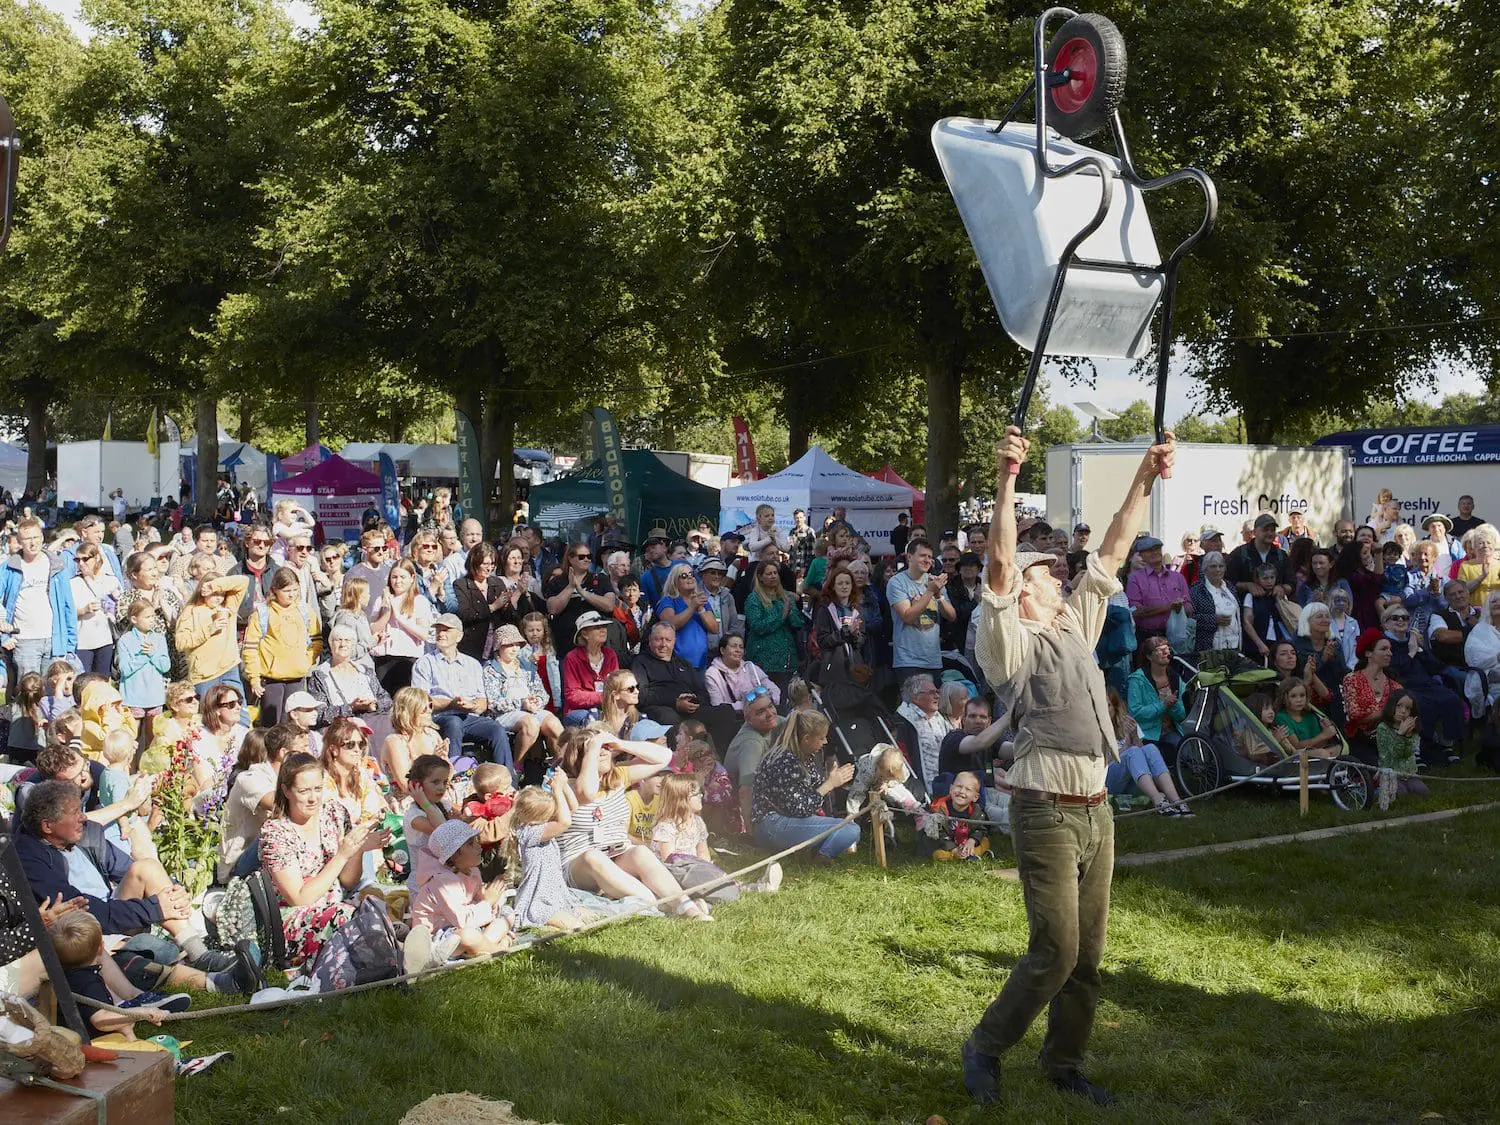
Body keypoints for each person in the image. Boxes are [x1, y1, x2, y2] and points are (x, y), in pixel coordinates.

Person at [962, 424, 1173, 1108]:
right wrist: (1005, 480)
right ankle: (985, 1047)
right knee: (1053, 951)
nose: (1055, 572)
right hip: (1045, 808)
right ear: (1023, 593)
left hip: (1097, 811)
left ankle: (1064, 1064)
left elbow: (1112, 544)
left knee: (1086, 960)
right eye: (1043, 571)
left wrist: (1146, 472)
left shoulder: (1076, 622)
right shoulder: (1008, 640)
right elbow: (997, 568)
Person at [556, 727, 709, 919]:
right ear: (579, 756)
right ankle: (660, 904)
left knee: (640, 852)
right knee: (593, 857)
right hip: (579, 864)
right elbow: (587, 792)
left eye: (605, 747)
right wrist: (593, 749)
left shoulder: (618, 776)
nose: (601, 751)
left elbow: (664, 756)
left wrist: (619, 743)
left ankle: (686, 907)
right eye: (592, 748)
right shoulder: (568, 785)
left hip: (617, 853)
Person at [259, 752, 390, 966]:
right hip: (292, 917)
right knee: (349, 917)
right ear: (286, 790)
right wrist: (343, 854)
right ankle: (394, 963)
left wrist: (358, 850)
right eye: (303, 791)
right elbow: (299, 898)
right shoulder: (276, 833)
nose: (313, 798)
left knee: (373, 905)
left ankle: (393, 961)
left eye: (317, 789)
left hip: (337, 903)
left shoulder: (334, 813)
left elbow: (348, 881)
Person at [749, 710, 858, 863]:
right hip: (771, 826)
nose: (825, 742)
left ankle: (810, 852)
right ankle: (821, 859)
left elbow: (812, 790)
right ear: (807, 739)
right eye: (821, 738)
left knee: (846, 828)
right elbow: (801, 809)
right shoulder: (785, 760)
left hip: (777, 824)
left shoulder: (801, 755)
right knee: (850, 829)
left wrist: (834, 780)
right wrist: (830, 784)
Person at [406, 819, 514, 966]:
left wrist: (493, 901)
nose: (479, 847)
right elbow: (462, 921)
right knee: (468, 936)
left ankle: (478, 949)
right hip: (440, 937)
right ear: (454, 855)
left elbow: (479, 900)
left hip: (468, 926)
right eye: (471, 844)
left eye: (476, 841)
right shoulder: (443, 881)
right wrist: (488, 902)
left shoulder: (472, 871)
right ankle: (497, 950)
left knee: (507, 914)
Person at [412, 614, 511, 767]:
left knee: (496, 729)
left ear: (459, 636)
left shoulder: (472, 664)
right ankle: (453, 776)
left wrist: (473, 706)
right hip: (438, 718)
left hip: (468, 716)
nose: (441, 634)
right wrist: (451, 704)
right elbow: (421, 701)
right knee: (454, 722)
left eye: (446, 630)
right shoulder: (424, 663)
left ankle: (507, 779)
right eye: (438, 630)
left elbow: (482, 702)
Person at [1, 517, 77, 680]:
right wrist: (3, 636)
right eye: (27, 539)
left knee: (52, 693)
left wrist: (70, 643)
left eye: (36, 537)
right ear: (19, 542)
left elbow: (67, 606)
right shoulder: (8, 569)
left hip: (54, 640)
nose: (33, 543)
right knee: (29, 694)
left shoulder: (57, 566)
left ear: (42, 537)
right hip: (23, 641)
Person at [509, 778, 589, 932]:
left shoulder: (540, 825)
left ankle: (552, 924)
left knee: (588, 917)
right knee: (576, 926)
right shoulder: (530, 833)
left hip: (555, 895)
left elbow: (573, 807)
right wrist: (557, 790)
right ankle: (544, 925)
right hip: (538, 900)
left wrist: (563, 784)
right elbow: (565, 822)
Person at [218, 725, 297, 881]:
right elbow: (281, 804)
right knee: (277, 829)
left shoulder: (282, 777)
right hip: (238, 864)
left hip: (266, 859)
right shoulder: (249, 778)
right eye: (300, 752)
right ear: (283, 753)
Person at [483, 623, 562, 769]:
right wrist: (521, 703)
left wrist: (536, 701)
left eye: (517, 644)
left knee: (554, 724)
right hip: (504, 713)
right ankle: (517, 767)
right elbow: (493, 703)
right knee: (530, 723)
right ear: (498, 647)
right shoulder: (490, 670)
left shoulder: (526, 666)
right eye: (509, 645)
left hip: (530, 708)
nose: (514, 649)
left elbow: (542, 693)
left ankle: (559, 766)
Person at [1104, 691, 1190, 816]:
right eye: (1102, 705)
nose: (1105, 710)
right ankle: (1159, 802)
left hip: (1133, 782)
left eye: (1108, 705)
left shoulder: (1128, 722)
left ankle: (1176, 801)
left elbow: (1142, 755)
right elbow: (1104, 764)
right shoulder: (1094, 730)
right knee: (1132, 752)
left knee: (1150, 748)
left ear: (1115, 707)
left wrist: (1134, 736)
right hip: (1109, 782)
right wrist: (1128, 743)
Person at [886, 538, 954, 685]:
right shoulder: (897, 582)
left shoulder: (934, 581)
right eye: (923, 555)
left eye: (930, 557)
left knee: (933, 706)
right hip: (908, 662)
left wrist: (938, 595)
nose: (927, 560)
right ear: (909, 556)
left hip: (933, 661)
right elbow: (907, 616)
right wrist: (930, 591)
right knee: (911, 707)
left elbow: (951, 616)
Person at [175, 572, 250, 700]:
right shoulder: (191, 611)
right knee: (209, 717)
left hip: (229, 668)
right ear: (202, 591)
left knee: (240, 716)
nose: (218, 598)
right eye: (214, 594)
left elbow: (243, 581)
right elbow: (180, 643)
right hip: (204, 676)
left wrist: (215, 586)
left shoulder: (228, 607)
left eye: (222, 594)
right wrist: (209, 630)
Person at [308, 623, 392, 726]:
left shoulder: (365, 671)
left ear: (353, 645)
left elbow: (387, 700)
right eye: (338, 640)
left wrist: (374, 705)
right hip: (342, 728)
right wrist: (351, 707)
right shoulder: (320, 675)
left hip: (373, 721)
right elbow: (318, 714)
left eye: (347, 640)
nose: (343, 644)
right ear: (330, 644)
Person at [545, 542, 618, 661]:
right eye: (581, 557)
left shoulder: (600, 578)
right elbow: (552, 608)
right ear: (570, 558)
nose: (586, 559)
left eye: (589, 556)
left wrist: (582, 591)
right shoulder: (557, 581)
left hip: (597, 646)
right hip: (566, 644)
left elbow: (609, 605)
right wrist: (570, 587)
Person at [725, 688, 780, 833]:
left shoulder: (775, 721)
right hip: (738, 808)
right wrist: (753, 834)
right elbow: (746, 792)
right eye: (760, 712)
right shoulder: (751, 743)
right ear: (748, 720)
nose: (769, 714)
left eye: (770, 706)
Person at [1342, 628, 1399, 760]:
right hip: (1361, 741)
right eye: (1383, 649)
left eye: (1390, 649)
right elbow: (1355, 715)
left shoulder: (1395, 685)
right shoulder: (1352, 679)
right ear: (1368, 653)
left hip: (1389, 739)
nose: (1389, 653)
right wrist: (1387, 711)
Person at [379, 687, 446, 798]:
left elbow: (447, 776)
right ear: (410, 711)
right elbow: (407, 786)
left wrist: (443, 760)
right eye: (424, 708)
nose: (429, 710)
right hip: (410, 802)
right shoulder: (395, 741)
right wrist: (433, 764)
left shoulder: (432, 735)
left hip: (436, 795)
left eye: (430, 705)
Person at [69, 542, 121, 677]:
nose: (81, 563)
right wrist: (83, 610)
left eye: (85, 559)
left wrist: (114, 604)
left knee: (103, 679)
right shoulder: (73, 583)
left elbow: (120, 610)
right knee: (83, 680)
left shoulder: (111, 581)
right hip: (83, 641)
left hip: (106, 639)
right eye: (77, 560)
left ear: (97, 558)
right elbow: (67, 614)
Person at [1125, 535, 1190, 636]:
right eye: (1150, 550)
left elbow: (1189, 607)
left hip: (1177, 635)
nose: (1155, 552)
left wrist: (1181, 607)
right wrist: (1168, 607)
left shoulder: (1178, 577)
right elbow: (1135, 611)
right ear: (1141, 555)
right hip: (1148, 636)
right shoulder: (1135, 578)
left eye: (1158, 548)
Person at [1374, 691, 1428, 809]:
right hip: (1391, 774)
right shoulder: (1383, 728)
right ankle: (1378, 791)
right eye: (1399, 706)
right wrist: (1400, 735)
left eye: (1408, 708)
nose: (1403, 711)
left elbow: (1407, 753)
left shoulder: (1412, 731)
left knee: (1422, 791)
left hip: (1409, 774)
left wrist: (1407, 736)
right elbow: (1391, 755)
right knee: (1399, 794)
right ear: (1391, 706)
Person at [704, 632, 779, 712]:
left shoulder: (749, 666)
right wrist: (750, 703)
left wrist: (769, 699)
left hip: (760, 713)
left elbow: (774, 689)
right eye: (734, 646)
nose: (738, 650)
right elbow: (718, 706)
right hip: (732, 719)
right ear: (722, 650)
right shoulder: (712, 674)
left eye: (741, 647)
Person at [1273, 677, 1340, 758]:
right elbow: (1296, 746)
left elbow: (1319, 745)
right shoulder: (1281, 717)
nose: (1299, 700)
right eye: (1293, 696)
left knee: (1338, 749)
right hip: (1295, 755)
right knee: (1322, 753)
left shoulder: (1311, 717)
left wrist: (1326, 731)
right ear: (1283, 699)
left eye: (1302, 695)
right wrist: (1323, 735)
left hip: (1313, 751)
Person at [1189, 551, 1240, 653]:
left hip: (1233, 644)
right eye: (1213, 566)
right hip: (1208, 647)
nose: (1218, 570)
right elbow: (1190, 619)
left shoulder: (1230, 587)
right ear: (1205, 569)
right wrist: (1213, 620)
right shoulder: (1196, 590)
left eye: (1221, 566)